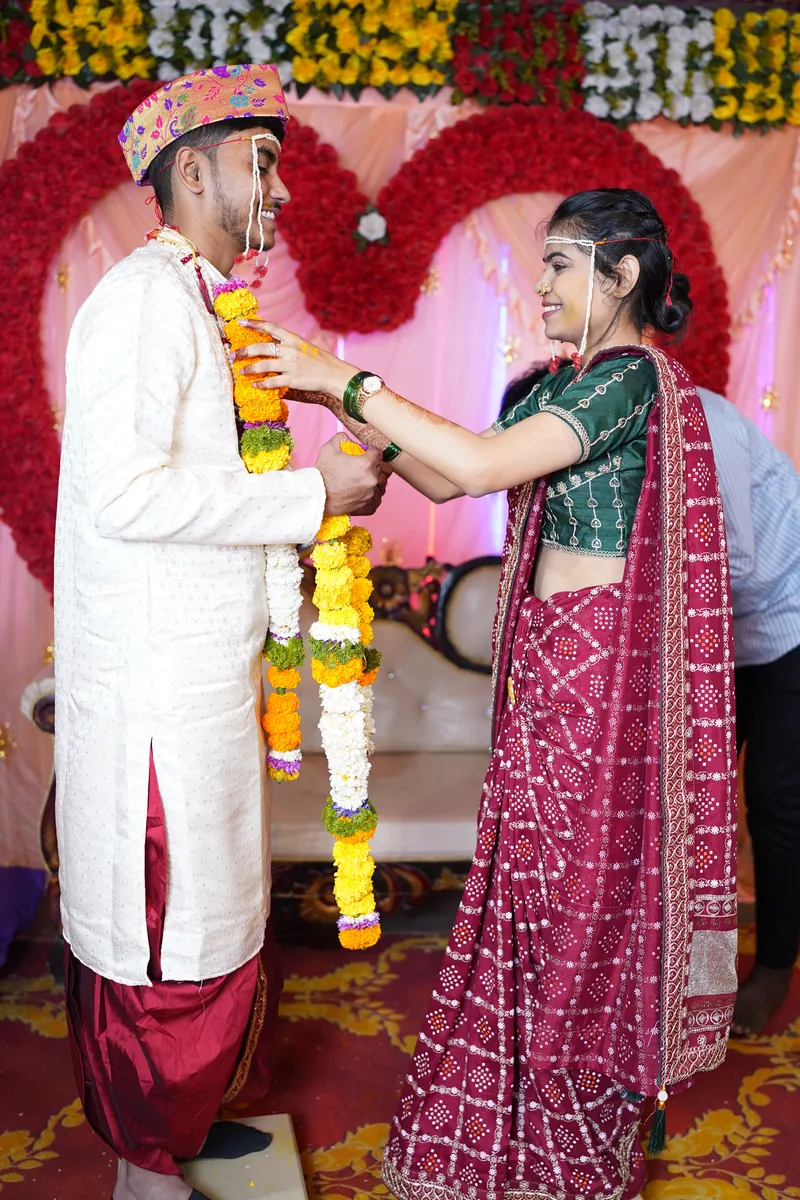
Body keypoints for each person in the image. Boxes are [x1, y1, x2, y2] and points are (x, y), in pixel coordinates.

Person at [235, 188, 738, 1200]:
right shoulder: (577, 385)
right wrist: (341, 409)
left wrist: (347, 375)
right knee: (530, 899)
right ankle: (508, 1132)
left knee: (569, 911)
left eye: (561, 261)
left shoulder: (627, 380)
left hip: (595, 683)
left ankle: (563, 1147)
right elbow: (443, 474)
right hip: (555, 673)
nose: (541, 281)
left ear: (622, 275)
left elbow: (473, 464)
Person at [54, 65, 384, 1200]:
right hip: (157, 700)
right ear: (191, 170)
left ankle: (173, 1144)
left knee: (213, 923)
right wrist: (313, 499)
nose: (280, 190)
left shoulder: (198, 298)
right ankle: (144, 1168)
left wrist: (311, 494)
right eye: (263, 162)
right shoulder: (143, 301)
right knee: (168, 943)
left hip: (205, 683)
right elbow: (126, 498)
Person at [696, 387, 800, 1036]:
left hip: (789, 624)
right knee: (694, 799)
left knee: (774, 799)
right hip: (719, 634)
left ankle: (776, 966)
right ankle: (694, 960)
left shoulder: (706, 419)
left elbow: (738, 559)